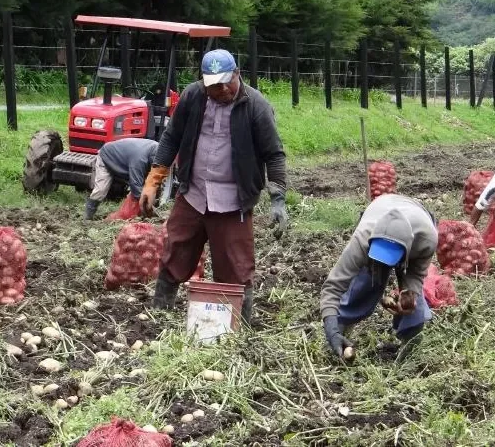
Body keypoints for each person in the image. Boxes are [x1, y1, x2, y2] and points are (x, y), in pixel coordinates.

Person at [138, 49, 288, 324]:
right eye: (213, 85)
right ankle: (160, 316)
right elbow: (171, 138)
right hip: (194, 194)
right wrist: (153, 180)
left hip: (234, 200)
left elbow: (274, 154)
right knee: (175, 253)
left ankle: (239, 327)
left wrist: (278, 198)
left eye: (225, 82)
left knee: (237, 267)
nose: (221, 90)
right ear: (203, 82)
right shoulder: (193, 97)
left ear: (237, 74)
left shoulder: (255, 105)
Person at [320, 193, 438, 360]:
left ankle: (410, 344)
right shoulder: (362, 240)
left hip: (418, 217)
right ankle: (340, 330)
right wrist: (331, 328)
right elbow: (333, 286)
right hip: (380, 205)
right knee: (365, 283)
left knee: (413, 304)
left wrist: (409, 294)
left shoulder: (427, 240)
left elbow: (416, 274)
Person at [83, 138, 159, 221]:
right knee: (101, 190)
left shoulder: (158, 149)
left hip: (122, 160)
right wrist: (149, 207)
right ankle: (87, 217)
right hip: (107, 157)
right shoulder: (139, 160)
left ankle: (142, 213)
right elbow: (135, 186)